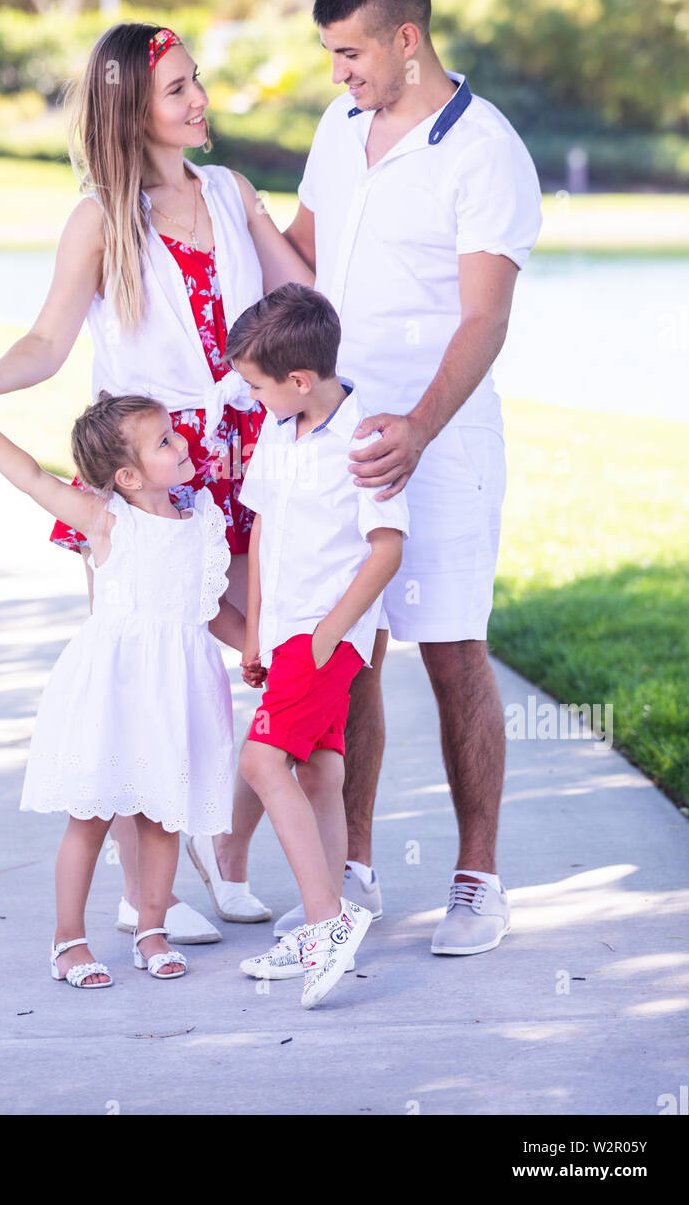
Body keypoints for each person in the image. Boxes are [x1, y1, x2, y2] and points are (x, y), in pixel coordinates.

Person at [0, 22, 314, 942]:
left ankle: (218, 856)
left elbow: (306, 304)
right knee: (145, 667)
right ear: (131, 112)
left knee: (262, 656)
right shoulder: (103, 220)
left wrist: (275, 216)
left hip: (237, 454)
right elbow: (49, 340)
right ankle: (146, 895)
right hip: (145, 471)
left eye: (197, 82)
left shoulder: (228, 192)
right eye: (176, 91)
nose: (199, 101)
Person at [272, 0, 543, 954]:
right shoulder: (337, 130)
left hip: (442, 437)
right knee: (349, 657)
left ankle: (477, 881)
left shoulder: (484, 152)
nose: (337, 73)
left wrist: (419, 430)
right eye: (330, 55)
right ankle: (353, 870)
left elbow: (482, 319)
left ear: (405, 38)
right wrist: (221, 207)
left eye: (349, 53)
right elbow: (298, 259)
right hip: (338, 434)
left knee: (451, 651)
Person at [0, 389, 247, 983]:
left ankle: (151, 931)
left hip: (178, 692)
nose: (180, 441)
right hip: (116, 691)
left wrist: (256, 649)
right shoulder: (109, 522)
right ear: (129, 476)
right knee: (93, 817)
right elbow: (33, 478)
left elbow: (210, 610)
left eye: (173, 433)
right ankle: (67, 941)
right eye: (164, 441)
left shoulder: (202, 521)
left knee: (164, 816)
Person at [225, 285, 410, 1008]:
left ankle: (325, 924)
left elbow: (387, 549)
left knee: (262, 760)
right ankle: (323, 918)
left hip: (324, 636)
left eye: (255, 384)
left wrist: (331, 632)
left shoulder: (366, 438)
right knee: (320, 777)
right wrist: (255, 629)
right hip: (286, 634)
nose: (251, 395)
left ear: (299, 379)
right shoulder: (281, 430)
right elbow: (265, 529)